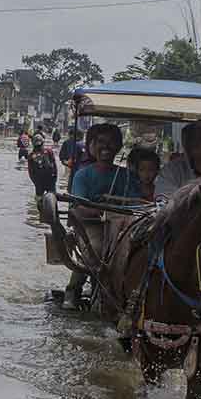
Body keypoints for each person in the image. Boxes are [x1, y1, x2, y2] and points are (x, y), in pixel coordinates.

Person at [62, 123, 138, 309]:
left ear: (118, 146)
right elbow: (79, 207)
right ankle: (73, 291)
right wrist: (102, 211)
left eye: (111, 142)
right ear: (91, 146)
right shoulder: (82, 175)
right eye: (101, 142)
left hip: (123, 227)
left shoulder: (126, 175)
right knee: (95, 251)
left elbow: (135, 204)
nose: (106, 147)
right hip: (91, 226)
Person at [26, 133, 58, 198]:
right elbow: (54, 166)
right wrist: (54, 179)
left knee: (40, 198)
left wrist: (35, 183)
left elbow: (30, 172)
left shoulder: (31, 155)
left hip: (42, 181)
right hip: (48, 180)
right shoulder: (48, 151)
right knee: (51, 197)